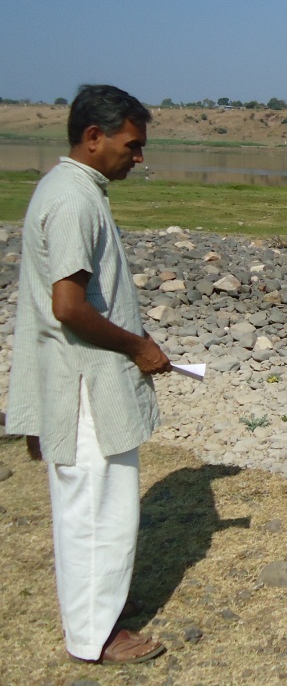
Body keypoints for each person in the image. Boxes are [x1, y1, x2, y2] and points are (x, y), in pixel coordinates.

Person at [6, 85, 171, 664]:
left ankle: (97, 616)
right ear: (94, 137)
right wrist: (138, 347)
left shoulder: (72, 189)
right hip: (85, 387)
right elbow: (68, 308)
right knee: (97, 511)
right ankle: (94, 637)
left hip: (75, 380)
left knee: (94, 506)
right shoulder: (74, 199)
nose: (139, 157)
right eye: (133, 145)